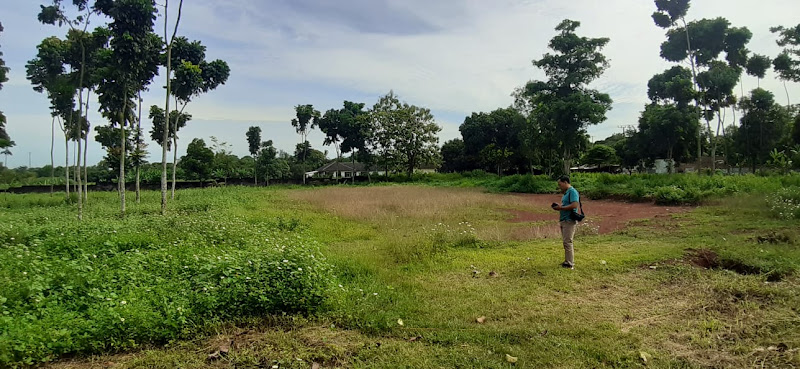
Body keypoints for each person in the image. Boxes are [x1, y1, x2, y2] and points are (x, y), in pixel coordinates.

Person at [551, 175, 579, 269]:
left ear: (565, 182)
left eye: (560, 184)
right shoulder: (566, 193)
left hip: (569, 220)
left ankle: (570, 263)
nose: (559, 186)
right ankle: (567, 261)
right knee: (565, 242)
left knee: (568, 242)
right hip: (564, 219)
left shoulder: (572, 192)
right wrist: (559, 207)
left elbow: (574, 205)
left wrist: (561, 208)